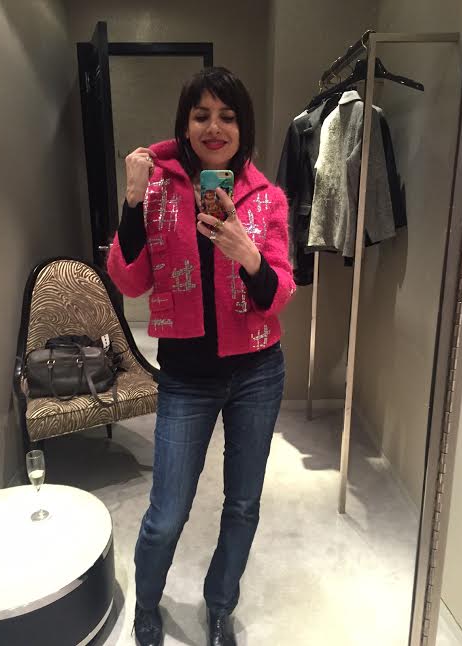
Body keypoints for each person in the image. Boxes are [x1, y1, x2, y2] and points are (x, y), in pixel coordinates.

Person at [107, 67, 295, 646]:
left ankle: (219, 606)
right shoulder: (158, 191)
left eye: (227, 116)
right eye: (202, 115)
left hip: (258, 372)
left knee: (242, 505)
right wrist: (132, 202)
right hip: (186, 378)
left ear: (244, 127)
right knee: (166, 513)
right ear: (185, 125)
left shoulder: (268, 199)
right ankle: (147, 603)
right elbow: (130, 281)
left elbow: (278, 294)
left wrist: (249, 255)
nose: (215, 127)